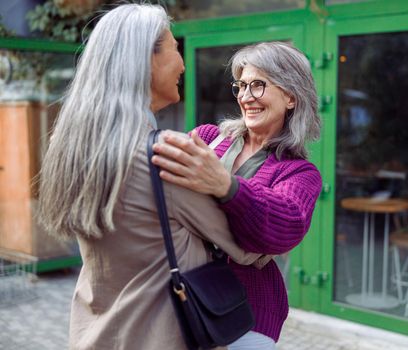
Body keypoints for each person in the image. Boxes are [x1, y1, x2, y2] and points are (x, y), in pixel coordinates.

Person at [38, 4, 264, 349]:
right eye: (175, 49)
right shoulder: (164, 157)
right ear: (146, 59)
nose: (183, 64)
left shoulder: (71, 146)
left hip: (96, 332)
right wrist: (236, 188)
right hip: (158, 335)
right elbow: (246, 247)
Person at [152, 41, 323, 349]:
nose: (245, 97)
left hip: (246, 311)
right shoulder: (207, 138)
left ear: (291, 97)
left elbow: (283, 228)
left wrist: (226, 186)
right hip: (185, 294)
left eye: (258, 85)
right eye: (241, 86)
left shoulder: (299, 173)